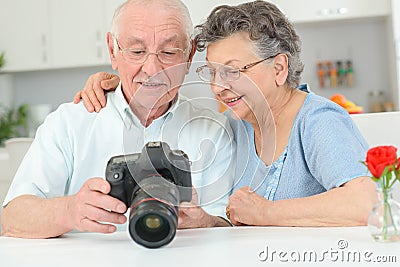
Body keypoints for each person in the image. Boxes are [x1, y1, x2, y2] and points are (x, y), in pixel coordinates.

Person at [75, 0, 378, 227]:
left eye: (233, 72)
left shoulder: (318, 121)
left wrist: (266, 213)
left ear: (279, 68)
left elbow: (368, 203)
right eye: (213, 73)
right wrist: (116, 83)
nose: (218, 87)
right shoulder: (239, 125)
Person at [1, 0, 235, 238]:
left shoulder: (214, 130)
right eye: (137, 52)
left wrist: (205, 222)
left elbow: (226, 226)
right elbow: (11, 217)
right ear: (113, 51)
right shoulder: (69, 123)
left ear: (189, 54)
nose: (152, 69)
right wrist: (69, 210)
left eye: (169, 52)